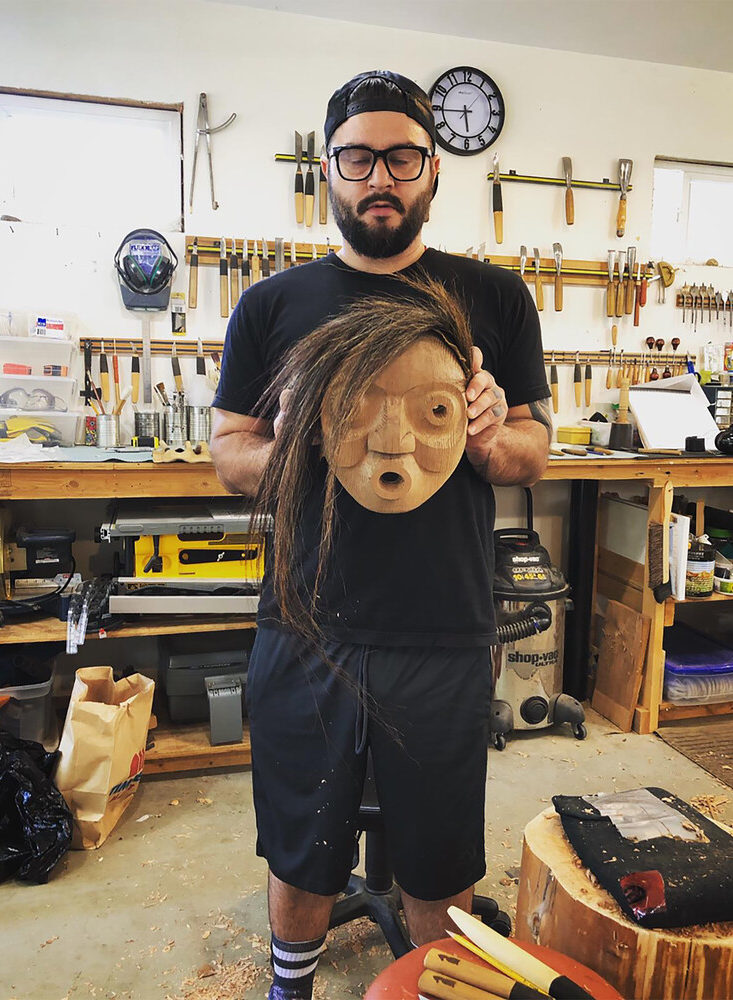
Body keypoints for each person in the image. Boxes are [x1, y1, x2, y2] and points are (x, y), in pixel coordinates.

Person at [211, 70, 551, 1000]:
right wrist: (292, 440)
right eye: (358, 157)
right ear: (329, 169)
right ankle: (293, 986)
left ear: (434, 169)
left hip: (442, 629)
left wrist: (488, 430)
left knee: (440, 862)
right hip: (306, 623)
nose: (380, 177)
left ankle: (430, 987)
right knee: (301, 848)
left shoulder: (495, 300)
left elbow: (533, 452)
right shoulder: (272, 308)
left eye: (402, 156)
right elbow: (227, 454)